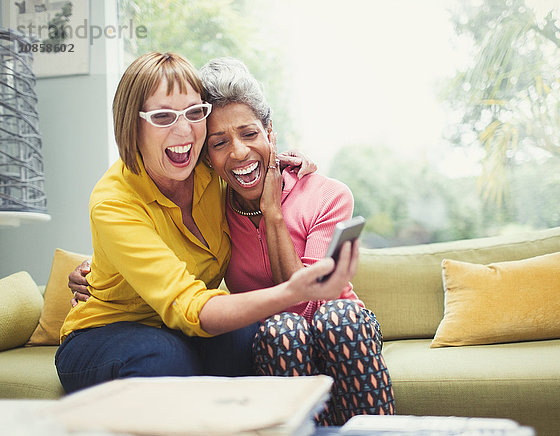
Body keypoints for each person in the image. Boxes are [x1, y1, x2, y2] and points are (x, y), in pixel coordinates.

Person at [70, 57, 395, 426]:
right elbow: (165, 274)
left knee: (295, 328)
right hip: (129, 328)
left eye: (192, 114)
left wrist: (277, 192)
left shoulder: (218, 175)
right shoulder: (152, 192)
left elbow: (312, 303)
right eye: (162, 117)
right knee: (246, 338)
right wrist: (92, 269)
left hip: (311, 323)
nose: (183, 131)